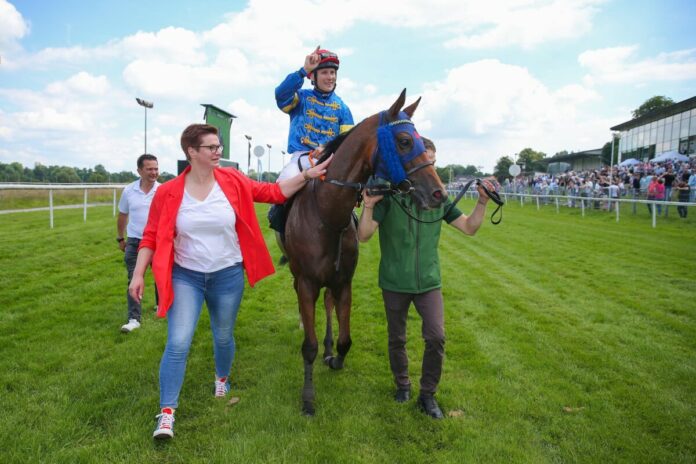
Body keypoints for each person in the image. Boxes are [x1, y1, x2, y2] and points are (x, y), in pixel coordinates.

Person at [128, 124, 331, 439]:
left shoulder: (232, 180)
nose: (218, 151)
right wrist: (139, 273)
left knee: (223, 336)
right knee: (178, 342)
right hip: (186, 276)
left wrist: (306, 174)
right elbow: (151, 236)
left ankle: (221, 378)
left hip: (227, 274)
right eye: (210, 147)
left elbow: (273, 193)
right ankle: (167, 412)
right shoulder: (169, 192)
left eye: (218, 146)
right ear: (191, 152)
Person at [357, 137, 496, 419]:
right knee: (396, 338)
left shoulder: (439, 200)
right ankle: (402, 385)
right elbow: (363, 235)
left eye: (432, 161)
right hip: (394, 281)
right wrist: (369, 206)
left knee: (436, 336)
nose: (428, 165)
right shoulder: (390, 196)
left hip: (428, 283)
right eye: (424, 160)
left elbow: (469, 228)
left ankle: (427, 395)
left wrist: (482, 202)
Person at [270, 46, 355, 263]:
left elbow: (347, 142)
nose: (330, 77)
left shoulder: (343, 108)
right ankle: (286, 242)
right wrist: (302, 70)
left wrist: (329, 149)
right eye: (325, 72)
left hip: (330, 160)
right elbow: (280, 95)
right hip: (301, 158)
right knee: (281, 190)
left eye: (333, 73)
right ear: (314, 76)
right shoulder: (300, 98)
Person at [117, 153, 160, 333]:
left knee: (161, 276)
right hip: (135, 241)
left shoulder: (163, 190)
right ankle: (134, 319)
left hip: (157, 241)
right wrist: (120, 238)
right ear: (139, 170)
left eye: (156, 168)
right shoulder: (129, 191)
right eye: (149, 169)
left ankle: (162, 305)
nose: (154, 172)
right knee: (133, 277)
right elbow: (123, 215)